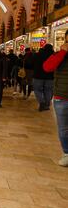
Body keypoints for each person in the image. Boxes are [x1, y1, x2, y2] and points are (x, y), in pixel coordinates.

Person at [43, 30, 68, 167]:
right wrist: (62, 53)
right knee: (64, 128)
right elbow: (47, 67)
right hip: (62, 97)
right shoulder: (59, 55)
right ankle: (67, 153)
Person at [33, 44, 54, 112]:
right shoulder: (53, 55)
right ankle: (47, 105)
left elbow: (32, 64)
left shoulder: (37, 55)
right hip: (50, 76)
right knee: (48, 90)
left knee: (37, 90)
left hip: (38, 76)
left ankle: (41, 102)